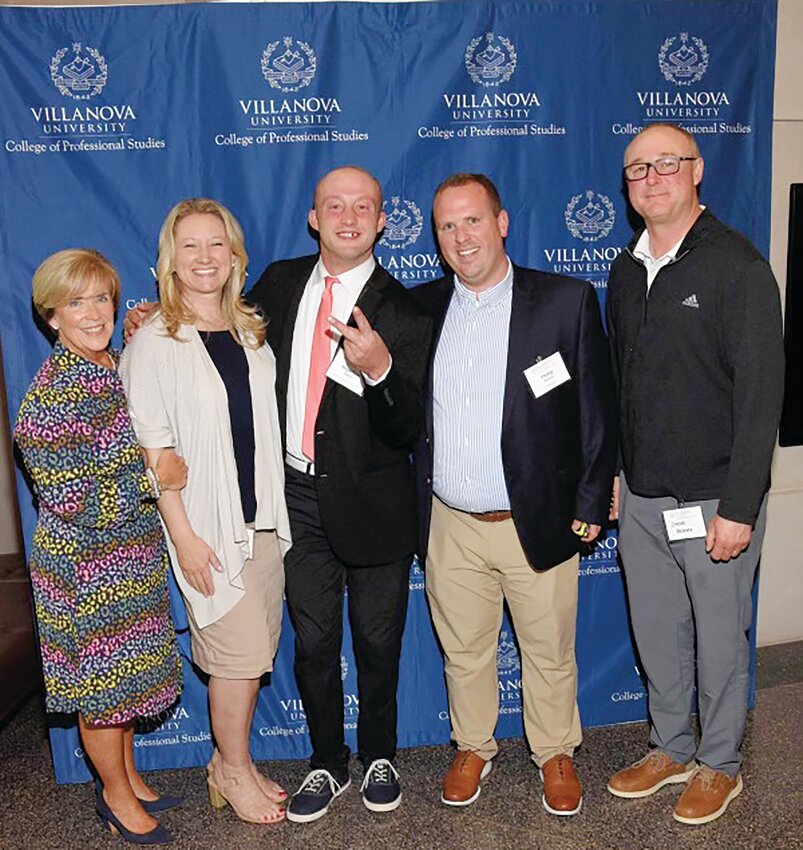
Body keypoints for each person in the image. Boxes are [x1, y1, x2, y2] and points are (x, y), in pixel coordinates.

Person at [413, 174, 617, 816]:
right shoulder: (421, 310)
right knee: (464, 649)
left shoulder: (564, 301)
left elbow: (596, 412)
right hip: (451, 522)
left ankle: (556, 752)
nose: (461, 237)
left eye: (472, 221)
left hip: (537, 516)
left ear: (501, 223)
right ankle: (473, 745)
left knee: (549, 649)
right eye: (447, 226)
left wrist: (590, 503)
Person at [605, 124, 784, 825]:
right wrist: (617, 475)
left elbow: (760, 395)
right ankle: (669, 747)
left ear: (696, 170)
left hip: (715, 498)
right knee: (656, 633)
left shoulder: (734, 266)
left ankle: (719, 764)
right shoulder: (626, 269)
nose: (650, 179)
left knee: (717, 635)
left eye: (665, 165)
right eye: (636, 169)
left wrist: (739, 505)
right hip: (643, 498)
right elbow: (622, 384)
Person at [247, 166, 432, 821]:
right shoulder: (276, 282)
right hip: (295, 495)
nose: (349, 217)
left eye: (364, 207)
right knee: (315, 643)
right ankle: (326, 761)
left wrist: (378, 368)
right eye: (335, 205)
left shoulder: (406, 310)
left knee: (379, 643)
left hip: (377, 505)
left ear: (382, 221)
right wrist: (160, 323)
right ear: (313, 217)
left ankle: (379, 752)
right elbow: (222, 342)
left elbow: (408, 426)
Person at [120, 199, 292, 826]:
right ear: (170, 258)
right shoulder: (153, 339)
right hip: (207, 529)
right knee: (237, 656)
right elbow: (153, 448)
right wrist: (183, 538)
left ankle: (230, 761)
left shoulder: (251, 332)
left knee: (252, 657)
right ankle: (235, 768)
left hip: (263, 521)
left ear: (235, 256)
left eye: (215, 245)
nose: (203, 258)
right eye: (189, 246)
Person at [14, 249, 185, 846]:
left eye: (102, 299)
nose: (93, 313)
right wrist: (155, 477)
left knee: (128, 681)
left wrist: (139, 319)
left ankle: (129, 775)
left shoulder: (105, 365)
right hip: (86, 569)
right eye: (76, 302)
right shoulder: (49, 399)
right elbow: (76, 500)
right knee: (105, 690)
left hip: (128, 556)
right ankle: (113, 796)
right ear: (51, 315)